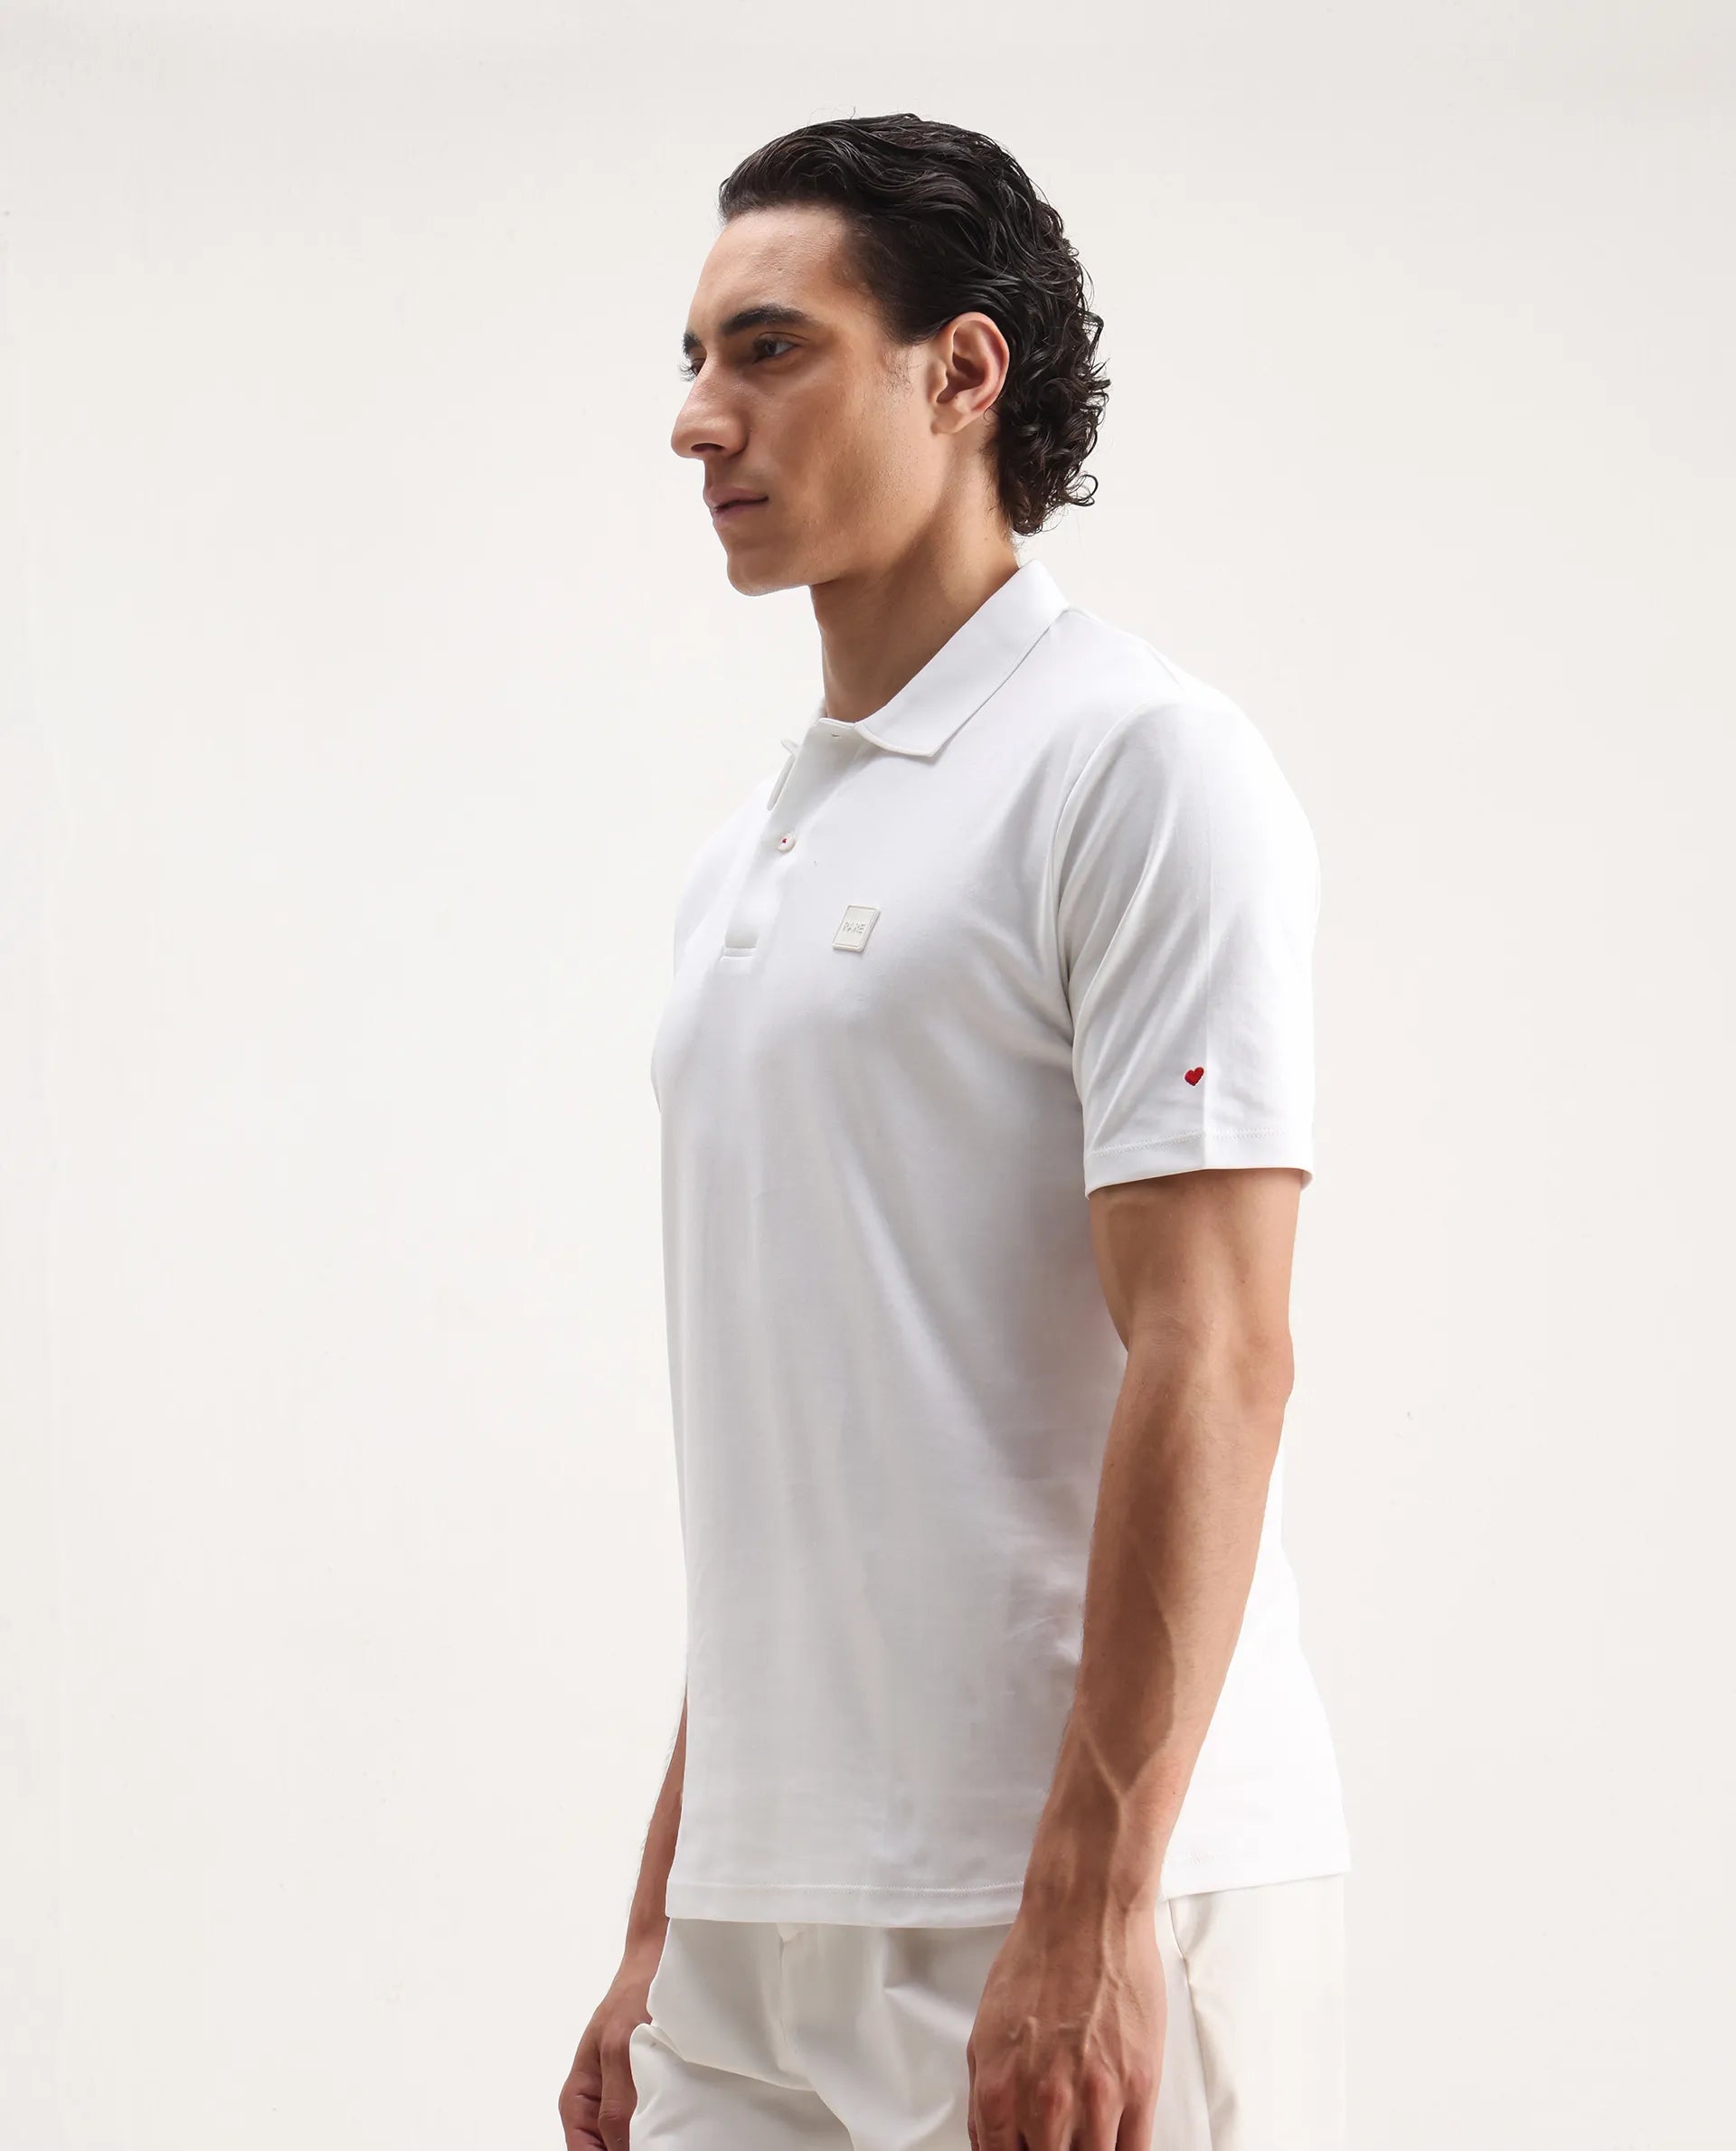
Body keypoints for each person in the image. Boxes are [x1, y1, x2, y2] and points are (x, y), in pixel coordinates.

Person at [559, 111, 1351, 2151]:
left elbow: (1219, 1348)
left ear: (961, 371)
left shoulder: (1136, 767)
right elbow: (806, 1435)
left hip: (1072, 1902)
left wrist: (1090, 1901)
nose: (698, 417)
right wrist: (667, 1911)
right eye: (694, 358)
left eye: (770, 349)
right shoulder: (749, 855)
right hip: (763, 1922)